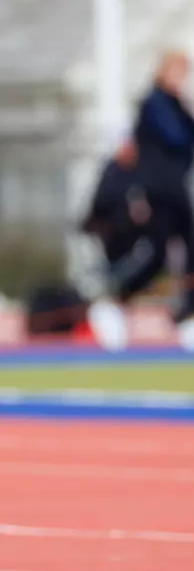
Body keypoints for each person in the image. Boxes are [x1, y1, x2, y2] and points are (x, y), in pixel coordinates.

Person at [88, 51, 194, 351]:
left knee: (190, 252)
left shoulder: (176, 104)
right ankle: (116, 302)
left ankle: (186, 316)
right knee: (156, 254)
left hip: (177, 189)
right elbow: (178, 138)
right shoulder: (155, 103)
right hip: (159, 191)